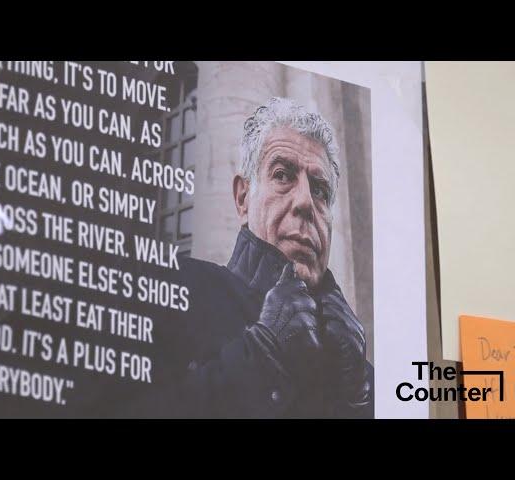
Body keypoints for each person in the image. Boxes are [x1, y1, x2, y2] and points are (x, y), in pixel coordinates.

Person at [110, 97, 373, 418]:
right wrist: (259, 357)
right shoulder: (167, 290)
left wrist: (361, 399)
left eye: (320, 190)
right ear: (243, 197)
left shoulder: (356, 364)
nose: (305, 200)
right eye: (282, 174)